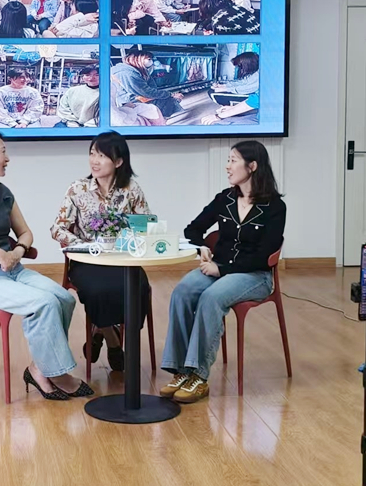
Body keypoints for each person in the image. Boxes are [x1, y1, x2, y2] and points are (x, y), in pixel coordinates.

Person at [0, 129, 93, 400]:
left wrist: (18, 251)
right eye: (3, 151)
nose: (7, 158)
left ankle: (39, 368)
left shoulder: (4, 193)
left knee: (63, 298)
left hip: (14, 270)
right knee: (44, 303)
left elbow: (25, 232)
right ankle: (57, 374)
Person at [160, 141, 286, 403]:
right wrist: (202, 247)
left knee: (211, 298)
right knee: (182, 291)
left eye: (233, 160)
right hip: (217, 268)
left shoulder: (275, 207)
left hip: (255, 276)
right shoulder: (225, 199)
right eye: (228, 160)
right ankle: (181, 370)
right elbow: (192, 229)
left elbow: (263, 256)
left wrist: (222, 269)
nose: (227, 166)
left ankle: (199, 376)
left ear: (252, 166)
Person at [51, 132, 151, 371]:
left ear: (118, 161)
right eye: (92, 154)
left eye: (102, 156)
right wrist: (83, 245)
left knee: (138, 287)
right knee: (98, 291)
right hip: (88, 259)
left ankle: (98, 332)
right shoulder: (78, 189)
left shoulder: (131, 190)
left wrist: (134, 237)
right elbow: (57, 229)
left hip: (122, 259)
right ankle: (114, 342)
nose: (94, 161)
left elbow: (146, 225)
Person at [110, 51, 184, 118]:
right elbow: (146, 92)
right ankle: (160, 119)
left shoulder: (138, 70)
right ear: (138, 59)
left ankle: (160, 118)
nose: (151, 61)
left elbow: (151, 88)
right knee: (168, 100)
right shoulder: (128, 74)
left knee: (165, 98)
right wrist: (170, 95)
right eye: (148, 59)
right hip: (131, 100)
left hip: (136, 96)